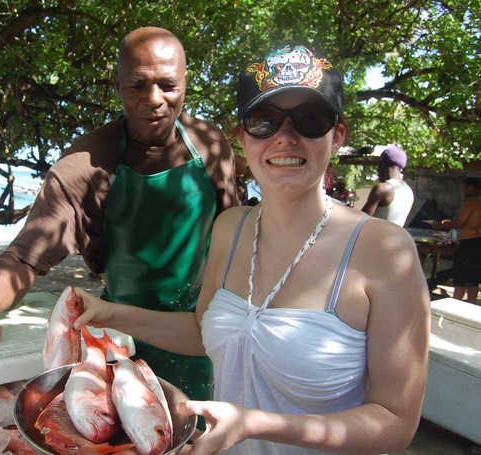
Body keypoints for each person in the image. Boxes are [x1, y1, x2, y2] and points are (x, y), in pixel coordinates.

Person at [74, 43, 430, 454]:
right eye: (264, 121)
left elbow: (395, 421)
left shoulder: (385, 251)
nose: (286, 138)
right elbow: (204, 332)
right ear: (242, 137)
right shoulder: (231, 228)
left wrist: (256, 424)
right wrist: (109, 312)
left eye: (310, 120)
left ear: (338, 135)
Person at [0, 27, 238, 402]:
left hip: (201, 333)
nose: (155, 99)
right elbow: (26, 255)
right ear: (117, 83)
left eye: (168, 86)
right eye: (138, 85)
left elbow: (234, 237)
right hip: (122, 335)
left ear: (186, 81)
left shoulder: (212, 146)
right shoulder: (85, 165)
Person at [424, 177, 481, 304]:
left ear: (471, 188)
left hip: (468, 244)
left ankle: (456, 304)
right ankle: (471, 305)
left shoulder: (471, 202)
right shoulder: (478, 201)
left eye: (464, 187)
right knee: (473, 280)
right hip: (476, 242)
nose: (462, 191)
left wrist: (438, 225)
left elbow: (460, 223)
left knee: (460, 280)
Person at [361, 145, 415, 226]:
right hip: (396, 238)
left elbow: (360, 221)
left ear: (382, 164)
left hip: (375, 238)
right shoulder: (408, 191)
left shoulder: (382, 188)